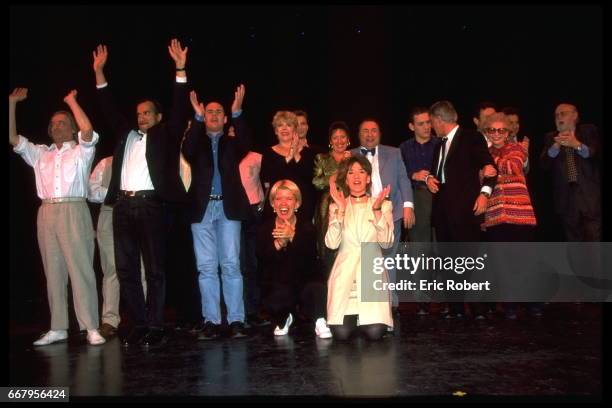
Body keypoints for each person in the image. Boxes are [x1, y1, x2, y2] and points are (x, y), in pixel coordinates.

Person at [92, 40, 190, 347]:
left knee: (155, 269)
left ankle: (157, 323)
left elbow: (179, 106)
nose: (142, 116)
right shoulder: (126, 136)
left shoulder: (166, 135)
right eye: (139, 113)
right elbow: (107, 107)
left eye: (148, 112)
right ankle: (139, 323)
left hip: (151, 207)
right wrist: (99, 73)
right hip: (122, 206)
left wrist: (180, 69)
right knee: (125, 269)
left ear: (158, 118)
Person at [10, 87, 105, 346]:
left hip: (73, 209)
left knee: (81, 269)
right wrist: (12, 104)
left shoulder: (81, 151)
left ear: (72, 128)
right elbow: (13, 138)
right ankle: (58, 327)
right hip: (46, 211)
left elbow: (88, 131)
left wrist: (72, 102)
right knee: (53, 271)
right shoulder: (41, 153)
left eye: (63, 123)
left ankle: (90, 327)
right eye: (53, 124)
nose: (57, 126)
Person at [182, 86, 250, 340]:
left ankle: (236, 320)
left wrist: (237, 111)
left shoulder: (233, 143)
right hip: (202, 210)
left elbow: (246, 141)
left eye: (217, 112)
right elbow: (186, 150)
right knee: (206, 267)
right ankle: (211, 319)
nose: (212, 115)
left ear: (224, 118)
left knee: (231, 265)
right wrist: (196, 119)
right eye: (208, 112)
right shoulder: (196, 142)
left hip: (228, 208)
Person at [426, 100, 497, 319]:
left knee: (469, 260)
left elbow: (490, 168)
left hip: (466, 211)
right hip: (443, 212)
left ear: (439, 120)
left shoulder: (471, 137)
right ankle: (455, 307)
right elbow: (437, 173)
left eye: (431, 122)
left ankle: (478, 308)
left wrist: (484, 194)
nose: (431, 127)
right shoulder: (439, 144)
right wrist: (429, 178)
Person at [325, 156, 394, 341]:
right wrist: (340, 211)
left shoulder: (383, 205)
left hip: (370, 276)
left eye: (361, 172)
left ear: (369, 178)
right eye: (351, 172)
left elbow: (387, 243)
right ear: (346, 179)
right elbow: (331, 243)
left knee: (374, 333)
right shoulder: (336, 206)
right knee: (341, 334)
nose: (356, 177)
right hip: (345, 277)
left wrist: (378, 211)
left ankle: (370, 319)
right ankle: (353, 317)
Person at [352, 119, 414, 315]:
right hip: (362, 213)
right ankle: (367, 303)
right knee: (366, 259)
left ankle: (391, 302)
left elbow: (403, 179)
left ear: (380, 133)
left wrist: (408, 206)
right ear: (359, 134)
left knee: (389, 258)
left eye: (373, 130)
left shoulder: (394, 152)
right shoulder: (350, 155)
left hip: (391, 212)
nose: (370, 134)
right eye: (365, 131)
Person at [481, 113, 539, 319]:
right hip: (495, 215)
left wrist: (490, 165)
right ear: (486, 132)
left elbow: (513, 166)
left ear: (508, 132)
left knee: (524, 262)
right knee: (503, 264)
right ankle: (510, 306)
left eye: (501, 130)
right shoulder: (483, 152)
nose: (496, 134)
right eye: (491, 130)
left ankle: (532, 303)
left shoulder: (517, 148)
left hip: (520, 215)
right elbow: (478, 180)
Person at [257, 180, 330, 338]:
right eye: (278, 198)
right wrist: (279, 243)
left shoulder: (307, 227)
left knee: (317, 286)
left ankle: (319, 320)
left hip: (303, 281)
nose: (283, 203)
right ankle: (285, 317)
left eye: (289, 198)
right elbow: (263, 263)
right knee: (274, 294)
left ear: (297, 204)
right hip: (280, 283)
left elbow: (308, 262)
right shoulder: (264, 229)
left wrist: (292, 238)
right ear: (273, 204)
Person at [88, 156, 148, 339]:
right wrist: (116, 193)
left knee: (141, 268)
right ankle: (110, 320)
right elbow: (91, 190)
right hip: (110, 214)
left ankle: (141, 317)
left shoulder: (144, 159)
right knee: (111, 269)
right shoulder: (106, 163)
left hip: (137, 214)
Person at [398, 107, 440, 315]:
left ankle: (443, 295)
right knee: (419, 248)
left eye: (428, 122)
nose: (427, 127)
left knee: (440, 247)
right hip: (417, 198)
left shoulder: (440, 144)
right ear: (411, 126)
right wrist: (415, 175)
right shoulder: (404, 148)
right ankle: (421, 297)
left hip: (440, 198)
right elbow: (400, 174)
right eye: (421, 123)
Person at [539, 103, 601, 242]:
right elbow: (544, 164)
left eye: (563, 113)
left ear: (575, 115)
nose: (559, 117)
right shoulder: (551, 138)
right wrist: (556, 146)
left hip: (589, 196)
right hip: (566, 199)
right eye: (556, 115)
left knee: (594, 240)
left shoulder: (588, 131)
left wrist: (576, 144)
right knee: (574, 243)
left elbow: (594, 153)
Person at [260, 111, 317, 223]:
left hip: (303, 207)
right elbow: (268, 176)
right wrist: (290, 154)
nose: (284, 128)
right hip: (277, 207)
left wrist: (295, 153)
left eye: (289, 125)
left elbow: (309, 176)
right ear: (276, 131)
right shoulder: (268, 153)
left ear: (295, 130)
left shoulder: (309, 152)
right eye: (280, 125)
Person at [312, 121, 352, 274]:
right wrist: (338, 171)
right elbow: (316, 182)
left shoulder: (353, 158)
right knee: (328, 245)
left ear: (348, 140)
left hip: (348, 205)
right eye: (335, 137)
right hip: (326, 207)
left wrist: (348, 163)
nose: (339, 141)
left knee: (347, 245)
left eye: (343, 137)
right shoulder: (321, 158)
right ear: (330, 141)